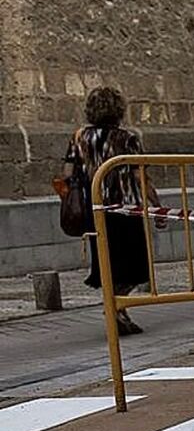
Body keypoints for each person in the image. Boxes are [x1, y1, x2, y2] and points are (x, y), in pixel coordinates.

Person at [62, 87, 151, 335]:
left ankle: (117, 310)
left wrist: (73, 199)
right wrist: (155, 202)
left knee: (107, 262)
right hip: (124, 208)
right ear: (118, 109)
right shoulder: (127, 138)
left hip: (95, 210)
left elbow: (68, 173)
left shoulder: (79, 137)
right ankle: (116, 308)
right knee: (135, 266)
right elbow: (139, 174)